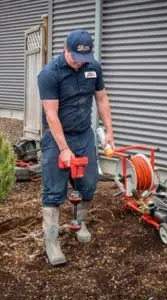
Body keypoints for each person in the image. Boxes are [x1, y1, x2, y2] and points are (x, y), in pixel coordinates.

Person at [37, 29, 114, 266]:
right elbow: (51, 115)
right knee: (53, 190)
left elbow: (101, 99)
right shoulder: (49, 74)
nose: (80, 64)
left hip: (84, 135)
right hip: (57, 135)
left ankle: (81, 221)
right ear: (65, 50)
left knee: (89, 183)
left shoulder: (94, 68)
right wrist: (63, 148)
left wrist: (109, 131)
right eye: (75, 59)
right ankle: (51, 242)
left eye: (84, 60)